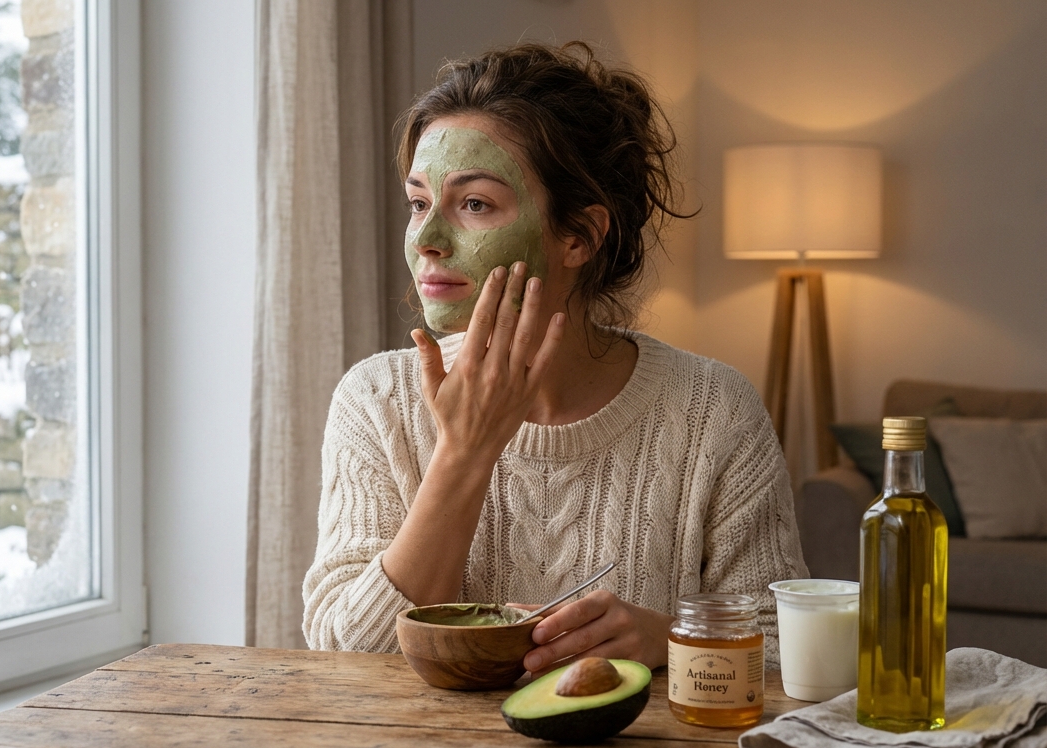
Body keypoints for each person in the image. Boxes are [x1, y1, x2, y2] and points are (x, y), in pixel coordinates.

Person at [301, 42, 807, 672]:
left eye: (474, 204)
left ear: (580, 236)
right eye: (419, 203)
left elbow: (788, 653)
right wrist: (465, 452)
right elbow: (346, 660)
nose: (427, 240)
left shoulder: (713, 411)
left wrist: (667, 639)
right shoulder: (376, 400)